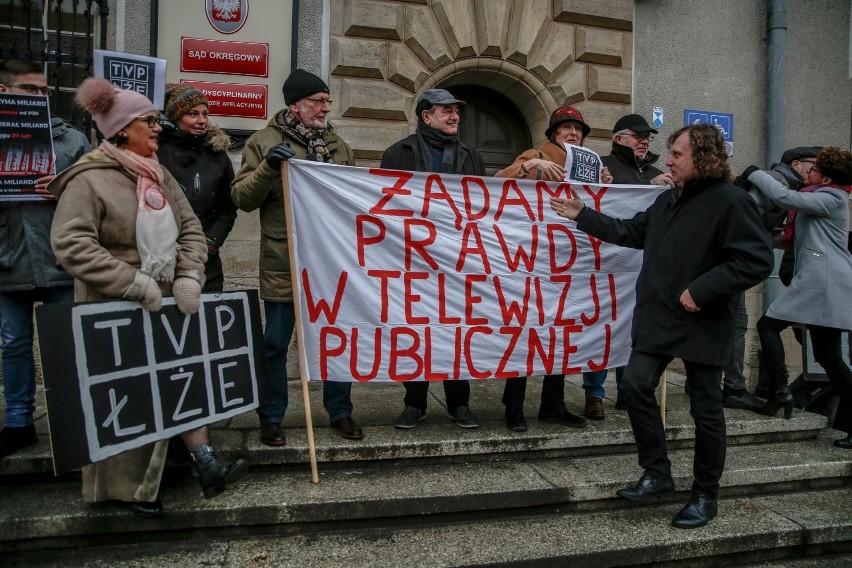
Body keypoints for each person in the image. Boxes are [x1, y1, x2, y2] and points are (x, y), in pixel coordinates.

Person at [550, 124, 773, 529]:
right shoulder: (668, 200)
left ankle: (705, 494)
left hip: (703, 319)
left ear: (703, 156)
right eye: (669, 152)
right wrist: (581, 214)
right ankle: (657, 473)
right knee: (635, 386)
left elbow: (755, 260)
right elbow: (632, 232)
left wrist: (702, 290)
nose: (668, 160)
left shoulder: (732, 201)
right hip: (658, 316)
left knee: (706, 407)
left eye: (677, 153)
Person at [49, 78, 248, 517]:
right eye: (148, 122)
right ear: (122, 128)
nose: (157, 128)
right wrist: (133, 283)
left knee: (181, 379)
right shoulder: (90, 178)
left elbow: (192, 229)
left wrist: (189, 275)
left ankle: (205, 463)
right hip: (114, 305)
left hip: (166, 302)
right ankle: (128, 490)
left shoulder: (158, 174)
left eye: (156, 122)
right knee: (129, 398)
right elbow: (72, 245)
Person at [231, 69, 363, 443]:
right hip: (284, 258)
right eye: (317, 101)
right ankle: (271, 416)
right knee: (275, 342)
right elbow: (242, 198)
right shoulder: (263, 141)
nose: (325, 108)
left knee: (337, 337)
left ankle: (340, 411)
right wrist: (270, 168)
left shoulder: (337, 145)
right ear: (295, 105)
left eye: (327, 101)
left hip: (332, 259)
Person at [0, 60, 90, 459]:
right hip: (6, 259)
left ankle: (69, 419)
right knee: (14, 344)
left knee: (65, 343)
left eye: (42, 91)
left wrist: (65, 192)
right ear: (5, 92)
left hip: (59, 258)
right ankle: (18, 420)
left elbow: (95, 195)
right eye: (28, 89)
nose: (38, 97)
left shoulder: (70, 139)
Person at [381, 88, 485, 430]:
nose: (455, 116)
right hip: (413, 261)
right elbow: (385, 208)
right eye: (446, 111)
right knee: (416, 330)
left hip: (458, 262)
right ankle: (415, 402)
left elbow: (483, 207)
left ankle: (460, 402)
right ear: (426, 116)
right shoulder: (398, 154)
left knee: (456, 331)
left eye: (457, 110)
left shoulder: (471, 156)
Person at [493, 105, 598, 431]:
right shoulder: (535, 154)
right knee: (526, 334)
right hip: (531, 262)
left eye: (578, 129)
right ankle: (514, 404)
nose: (573, 133)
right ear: (553, 133)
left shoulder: (588, 166)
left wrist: (605, 185)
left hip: (569, 262)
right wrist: (528, 167)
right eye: (566, 127)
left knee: (560, 334)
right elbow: (495, 181)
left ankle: (553, 404)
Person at [745, 147, 852, 449]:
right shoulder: (826, 196)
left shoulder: (832, 198)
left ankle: (780, 391)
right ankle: (844, 422)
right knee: (830, 357)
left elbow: (785, 198)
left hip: (824, 282)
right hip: (824, 281)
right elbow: (793, 238)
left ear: (828, 177)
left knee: (767, 325)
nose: (809, 172)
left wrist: (755, 173)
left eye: (815, 169)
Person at [580, 114, 674, 419]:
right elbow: (592, 200)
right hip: (602, 261)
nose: (645, 141)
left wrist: (654, 184)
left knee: (632, 328)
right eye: (638, 135)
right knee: (601, 327)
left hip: (639, 264)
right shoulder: (603, 167)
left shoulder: (657, 173)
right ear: (619, 138)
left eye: (648, 137)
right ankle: (594, 392)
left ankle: (627, 389)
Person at [728, 146, 822, 408]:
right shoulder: (777, 183)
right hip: (733, 259)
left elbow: (765, 230)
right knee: (737, 320)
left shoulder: (789, 188)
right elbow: (746, 220)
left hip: (736, 258)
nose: (815, 170)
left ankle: (727, 385)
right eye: (812, 165)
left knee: (734, 320)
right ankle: (734, 387)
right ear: (796, 165)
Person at [156, 84, 237, 292]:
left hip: (204, 262)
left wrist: (211, 243)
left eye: (205, 114)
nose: (202, 121)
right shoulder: (155, 152)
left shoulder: (217, 155)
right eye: (193, 114)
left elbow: (228, 207)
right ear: (175, 116)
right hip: (161, 259)